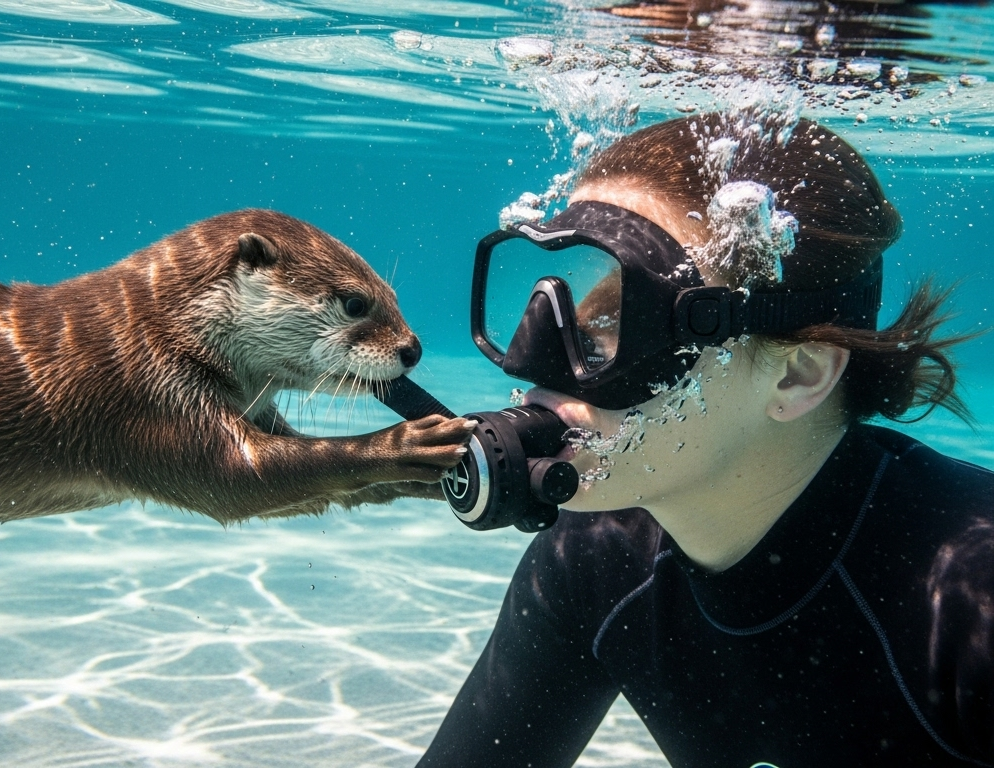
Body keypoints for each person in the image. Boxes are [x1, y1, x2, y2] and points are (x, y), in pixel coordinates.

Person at [419, 114, 993, 767]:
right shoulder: (592, 559)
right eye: (586, 318)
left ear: (797, 374)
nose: (535, 362)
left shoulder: (973, 597)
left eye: (619, 328)